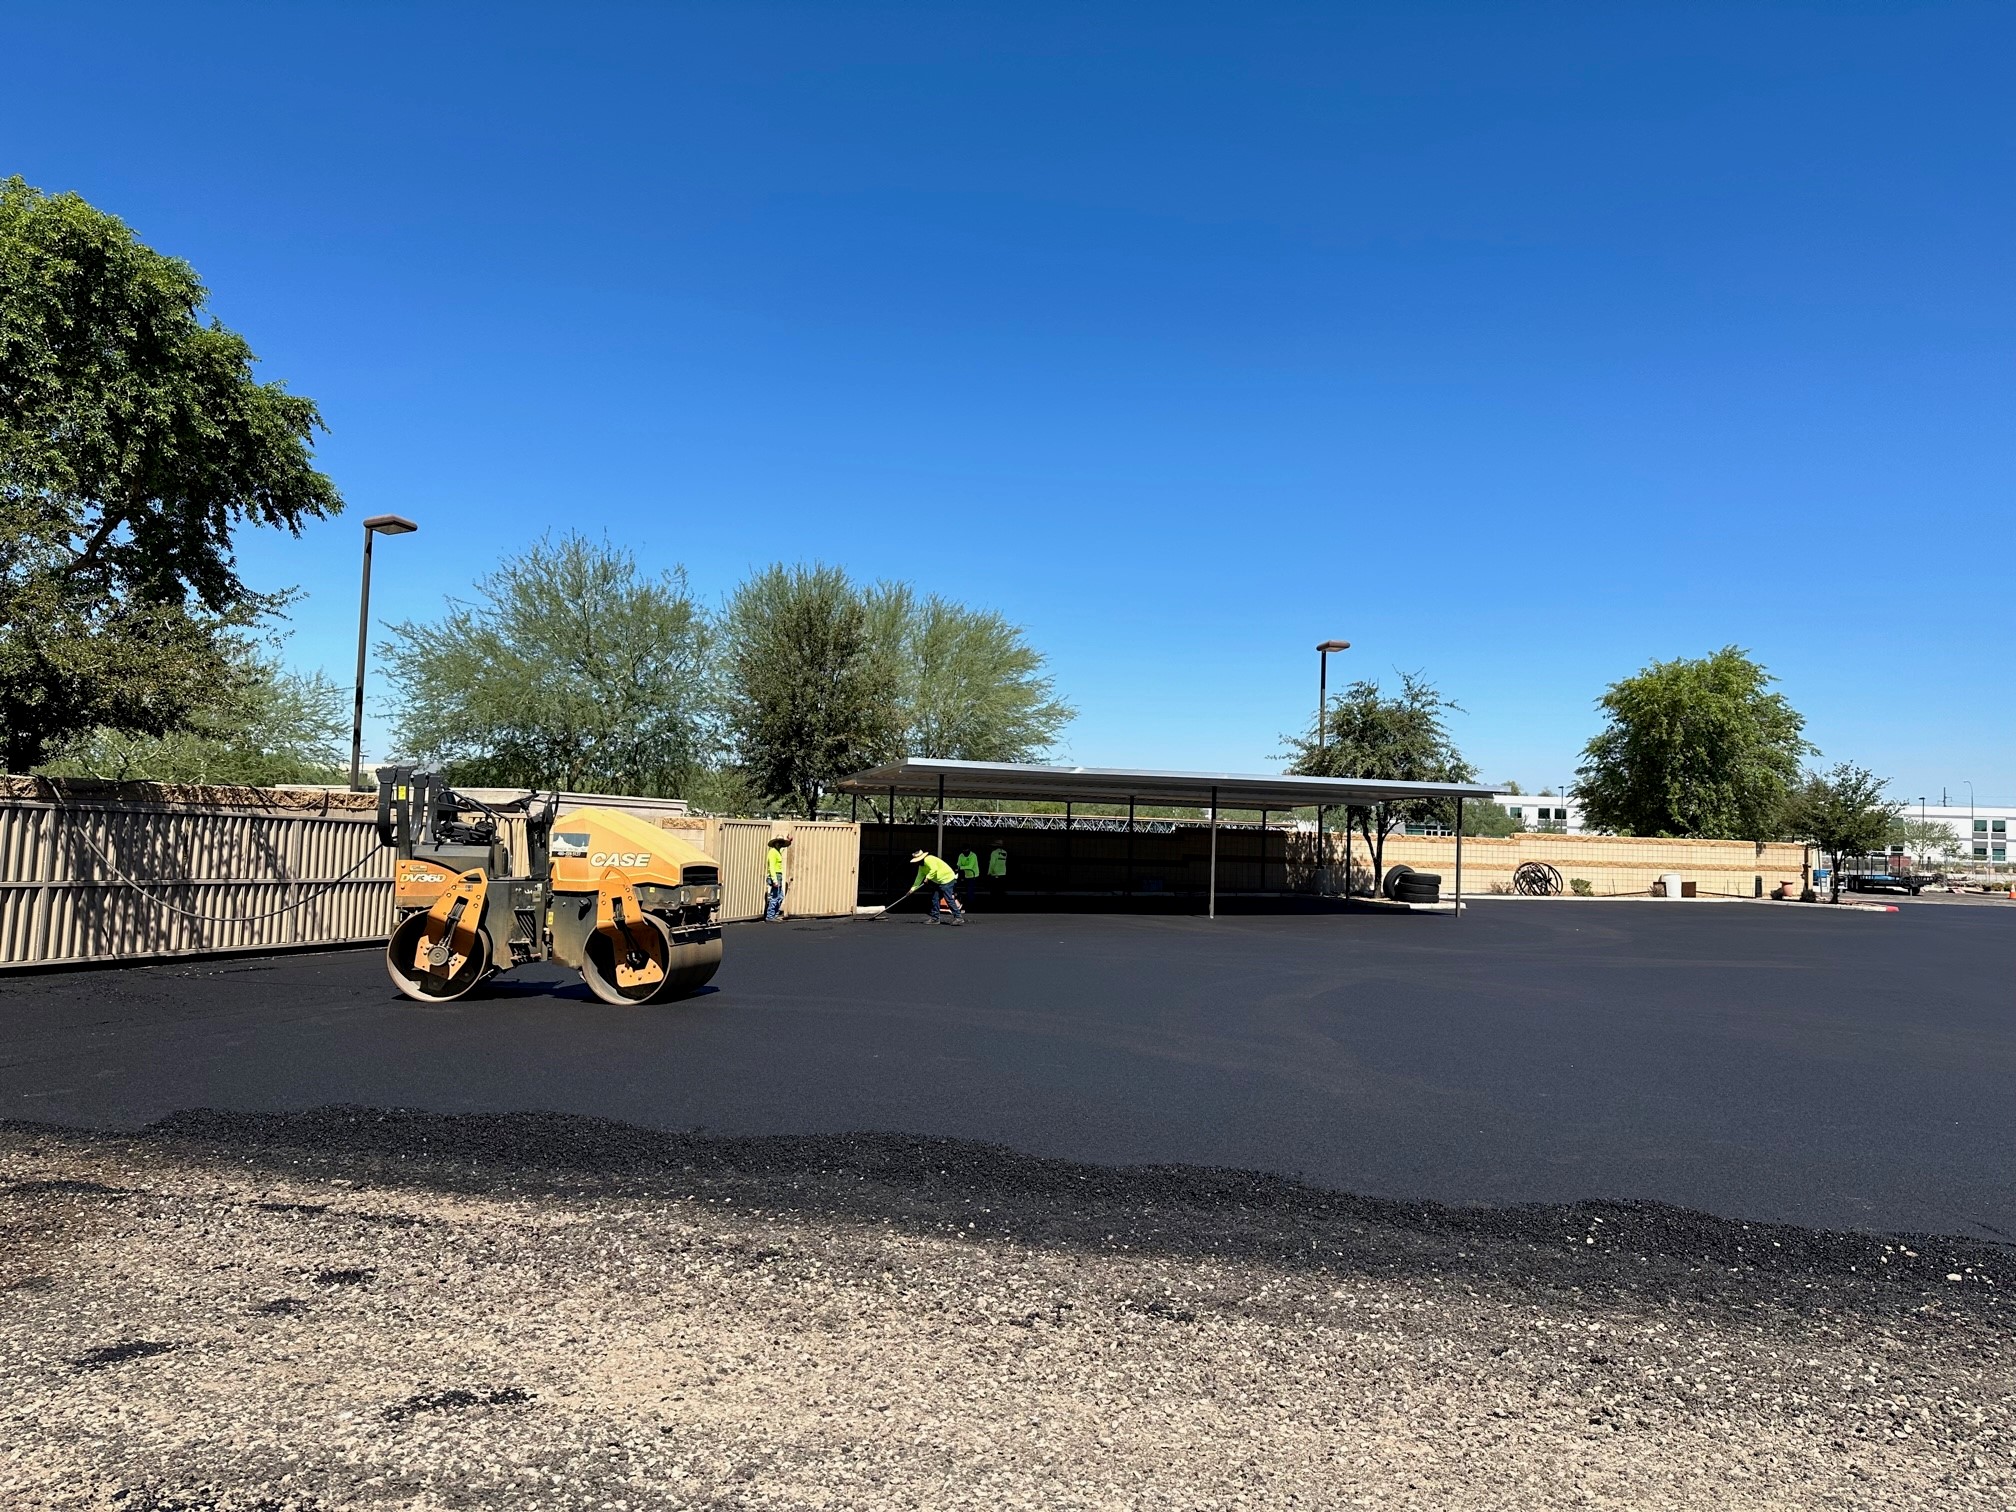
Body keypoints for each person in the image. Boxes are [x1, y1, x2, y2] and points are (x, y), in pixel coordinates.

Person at [909, 849, 964, 924]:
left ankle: (958, 917)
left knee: (948, 899)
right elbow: (918, 879)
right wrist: (912, 889)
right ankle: (935, 918)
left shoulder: (929, 859)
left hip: (947, 879)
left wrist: (928, 878)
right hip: (939, 882)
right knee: (935, 899)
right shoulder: (921, 867)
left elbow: (934, 869)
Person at [763, 836, 792, 921]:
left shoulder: (778, 851)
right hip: (775, 875)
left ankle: (774, 915)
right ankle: (770, 916)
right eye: (779, 842)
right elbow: (771, 867)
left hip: (778, 875)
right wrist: (774, 880)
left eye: (781, 843)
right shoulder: (772, 852)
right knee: (775, 896)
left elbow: (783, 848)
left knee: (780, 896)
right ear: (775, 843)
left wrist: (789, 841)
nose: (780, 844)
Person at [986, 839, 1008, 904]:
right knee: (1001, 889)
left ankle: (994, 902)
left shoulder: (994, 853)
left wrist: (989, 872)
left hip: (995, 873)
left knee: (994, 889)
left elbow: (992, 864)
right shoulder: (1005, 852)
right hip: (1003, 873)